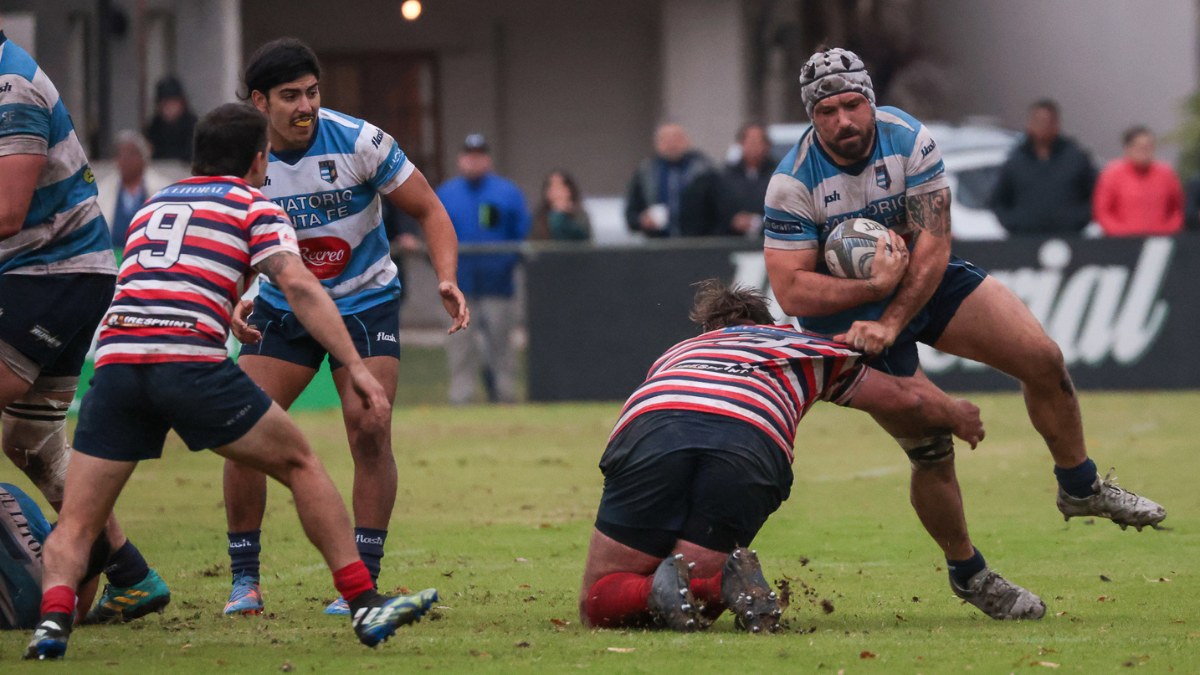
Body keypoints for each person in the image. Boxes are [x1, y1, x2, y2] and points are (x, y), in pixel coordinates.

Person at [22, 103, 439, 661]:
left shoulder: (152, 205)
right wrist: (357, 366)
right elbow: (299, 286)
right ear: (259, 159)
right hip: (188, 361)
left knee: (77, 519)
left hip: (118, 363)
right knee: (302, 464)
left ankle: (51, 624)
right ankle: (364, 603)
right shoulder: (254, 204)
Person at [762, 49, 1164, 579]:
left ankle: (1079, 486)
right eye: (827, 111)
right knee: (932, 449)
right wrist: (872, 291)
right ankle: (970, 573)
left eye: (853, 105)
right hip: (848, 322)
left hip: (920, 279)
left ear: (871, 102)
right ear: (812, 117)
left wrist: (892, 316)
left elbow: (934, 243)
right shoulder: (791, 183)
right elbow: (791, 291)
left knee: (1042, 358)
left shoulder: (909, 139)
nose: (843, 121)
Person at [579, 280, 1046, 633]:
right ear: (768, 326)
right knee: (690, 599)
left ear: (707, 330)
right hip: (750, 441)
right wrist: (957, 414)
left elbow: (674, 410)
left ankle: (679, 586)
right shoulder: (803, 348)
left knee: (601, 600)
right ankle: (720, 585)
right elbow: (905, 398)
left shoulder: (679, 351)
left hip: (657, 426)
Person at [225, 38, 469, 617]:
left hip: (364, 301)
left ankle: (360, 579)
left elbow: (430, 209)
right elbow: (227, 230)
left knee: (370, 428)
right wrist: (233, 293)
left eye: (312, 92)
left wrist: (446, 278)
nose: (305, 106)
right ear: (259, 101)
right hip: (283, 305)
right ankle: (244, 581)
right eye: (290, 96)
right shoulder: (242, 154)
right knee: (243, 429)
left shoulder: (360, 141)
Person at [0, 22, 170, 628]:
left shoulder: (11, 85)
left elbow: (8, 211)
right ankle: (129, 573)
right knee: (31, 440)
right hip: (53, 274)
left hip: (51, 272)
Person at [436, 134, 529, 405]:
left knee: (502, 347)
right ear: (460, 159)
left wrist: (504, 263)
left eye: (478, 156)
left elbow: (522, 234)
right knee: (460, 349)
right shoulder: (446, 194)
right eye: (468, 156)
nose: (473, 161)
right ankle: (461, 400)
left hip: (498, 287)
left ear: (487, 159)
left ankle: (505, 398)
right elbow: (433, 234)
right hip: (458, 287)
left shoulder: (507, 193)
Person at [989, 99, 1097, 236]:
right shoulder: (1016, 160)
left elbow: (1095, 195)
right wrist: (1014, 222)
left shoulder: (1076, 158)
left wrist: (1078, 219)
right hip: (1025, 239)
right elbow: (998, 200)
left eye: (1048, 122)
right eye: (1038, 122)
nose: (1043, 127)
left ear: (1056, 124)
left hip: (1069, 238)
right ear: (1030, 124)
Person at [625, 123, 729, 237]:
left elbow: (722, 213)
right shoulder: (646, 173)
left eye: (676, 138)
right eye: (666, 139)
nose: (672, 144)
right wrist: (642, 221)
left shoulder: (705, 172)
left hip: (698, 243)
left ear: (686, 141)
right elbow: (632, 214)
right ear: (657, 144)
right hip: (658, 243)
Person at [1093, 126, 1184, 237]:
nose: (1146, 152)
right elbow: (1103, 212)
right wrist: (1121, 233)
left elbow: (1177, 209)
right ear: (1127, 149)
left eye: (1149, 147)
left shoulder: (1166, 174)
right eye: (1140, 147)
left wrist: (1168, 230)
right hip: (1123, 240)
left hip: (1159, 239)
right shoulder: (1112, 174)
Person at [96, 130, 171, 253]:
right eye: (120, 154)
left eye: (131, 154)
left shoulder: (162, 190)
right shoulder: (102, 191)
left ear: (143, 158)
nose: (125, 160)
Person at [723, 124, 774, 237]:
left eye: (758, 142)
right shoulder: (728, 175)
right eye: (749, 141)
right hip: (734, 240)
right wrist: (733, 220)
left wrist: (757, 223)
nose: (753, 147)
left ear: (766, 145)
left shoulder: (779, 173)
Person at [143, 76, 198, 162]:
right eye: (165, 104)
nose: (170, 108)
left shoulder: (195, 127)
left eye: (174, 103)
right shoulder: (153, 129)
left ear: (182, 103)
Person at [530, 170, 591, 241]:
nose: (555, 192)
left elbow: (583, 239)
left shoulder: (579, 215)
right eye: (551, 187)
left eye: (559, 187)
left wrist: (561, 216)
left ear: (569, 190)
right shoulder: (539, 216)